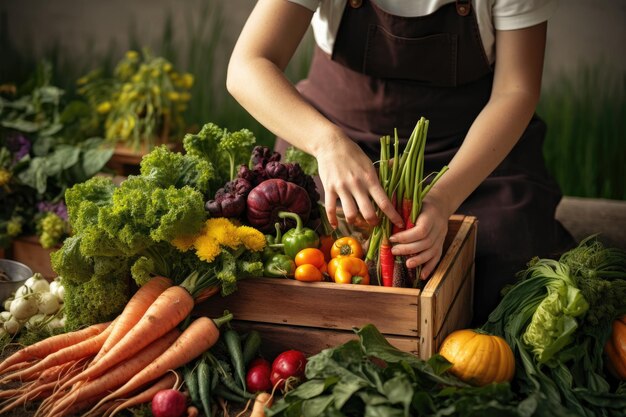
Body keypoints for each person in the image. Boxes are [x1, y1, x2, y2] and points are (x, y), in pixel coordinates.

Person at [226, 0, 575, 324]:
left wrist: (443, 198)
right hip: (336, 129)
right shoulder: (328, 140)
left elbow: (516, 91)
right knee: (297, 239)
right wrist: (326, 143)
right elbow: (248, 65)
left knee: (503, 257)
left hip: (468, 145)